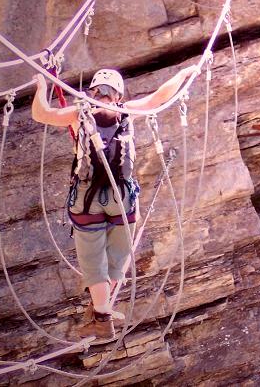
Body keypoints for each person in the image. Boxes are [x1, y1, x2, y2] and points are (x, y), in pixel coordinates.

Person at [31, 65, 198, 340]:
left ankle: (102, 316)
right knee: (118, 257)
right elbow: (159, 97)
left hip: (86, 201)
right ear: (118, 93)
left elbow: (41, 114)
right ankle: (101, 307)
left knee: (93, 259)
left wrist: (41, 86)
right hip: (122, 199)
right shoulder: (127, 111)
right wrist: (182, 75)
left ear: (93, 90)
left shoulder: (79, 114)